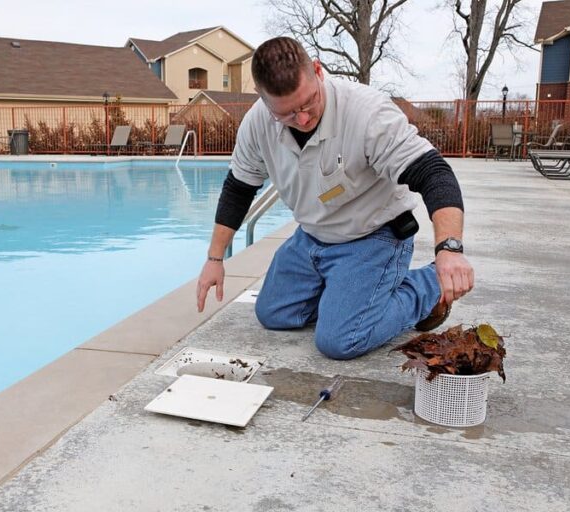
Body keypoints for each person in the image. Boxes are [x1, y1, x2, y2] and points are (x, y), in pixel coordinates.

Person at [196, 36, 474, 360]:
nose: (302, 119)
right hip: (312, 237)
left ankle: (427, 286)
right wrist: (215, 259)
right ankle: (347, 293)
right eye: (286, 113)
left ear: (317, 71)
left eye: (308, 102)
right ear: (263, 100)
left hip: (373, 235)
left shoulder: (366, 112)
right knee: (272, 314)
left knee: (340, 340)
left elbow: (433, 173)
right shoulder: (257, 122)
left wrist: (450, 248)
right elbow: (238, 188)